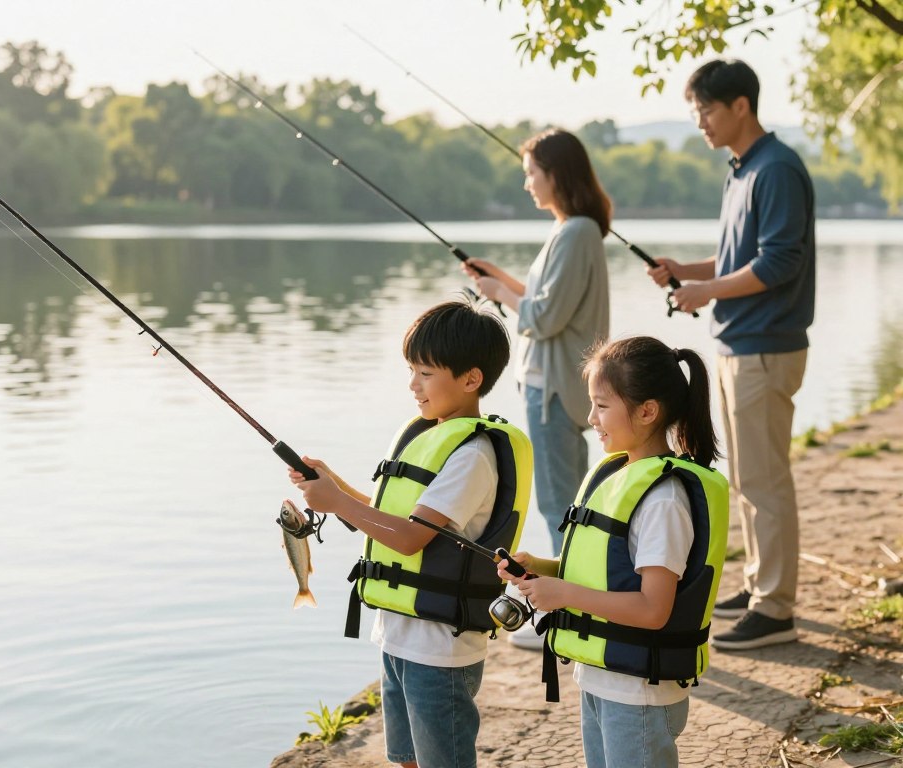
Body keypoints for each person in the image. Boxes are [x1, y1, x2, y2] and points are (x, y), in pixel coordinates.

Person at [288, 299, 533, 768]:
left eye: (425, 373)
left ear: (471, 379)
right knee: (406, 758)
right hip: (399, 636)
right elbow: (391, 518)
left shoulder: (472, 454)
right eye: (411, 370)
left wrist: (336, 503)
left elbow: (409, 538)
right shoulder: (430, 436)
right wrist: (333, 484)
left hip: (440, 649)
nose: (412, 385)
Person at [647, 59, 815, 650]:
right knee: (746, 476)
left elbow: (777, 263)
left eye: (708, 110)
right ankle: (758, 584)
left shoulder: (776, 170)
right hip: (738, 344)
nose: (701, 123)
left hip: (765, 347)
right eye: (696, 113)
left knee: (764, 479)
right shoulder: (741, 170)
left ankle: (777, 608)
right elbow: (737, 258)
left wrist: (703, 292)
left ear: (741, 105)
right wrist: (684, 272)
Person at [498, 336, 729, 768]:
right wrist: (541, 570)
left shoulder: (663, 500)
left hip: (639, 691)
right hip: (602, 679)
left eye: (602, 406)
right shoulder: (618, 475)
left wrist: (563, 595)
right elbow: (610, 573)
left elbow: (652, 609)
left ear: (647, 411)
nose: (590, 418)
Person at [462, 129, 610, 650]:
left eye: (532, 172)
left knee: (557, 503)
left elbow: (544, 317)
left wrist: (500, 292)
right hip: (553, 385)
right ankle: (571, 604)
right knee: (561, 499)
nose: (526, 182)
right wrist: (501, 280)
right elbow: (548, 301)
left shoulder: (575, 233)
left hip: (553, 391)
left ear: (556, 174)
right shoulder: (573, 231)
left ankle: (563, 614)